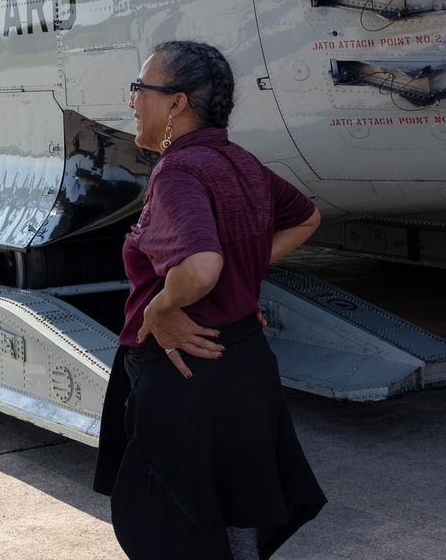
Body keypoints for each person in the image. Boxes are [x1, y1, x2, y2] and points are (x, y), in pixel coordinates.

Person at [92, 40, 326, 560]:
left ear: (175, 103)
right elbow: (306, 217)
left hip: (186, 374)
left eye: (140, 89)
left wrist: (162, 308)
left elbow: (201, 267)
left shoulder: (178, 172)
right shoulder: (237, 161)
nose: (133, 102)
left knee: (173, 529)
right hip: (245, 365)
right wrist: (245, 275)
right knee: (236, 524)